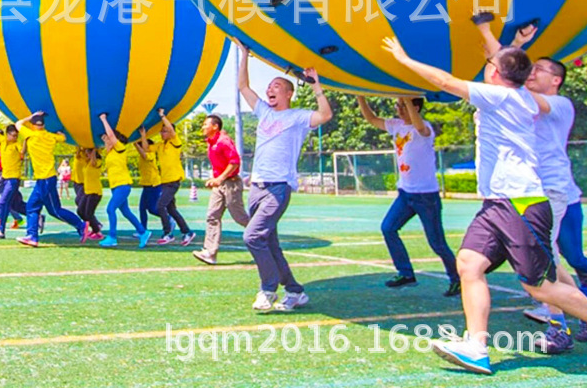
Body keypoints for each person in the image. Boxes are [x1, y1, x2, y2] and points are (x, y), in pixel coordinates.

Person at [382, 35, 587, 375]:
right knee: (469, 264)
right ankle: (476, 348)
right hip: (496, 203)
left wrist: (404, 59)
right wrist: (500, 40)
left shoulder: (501, 96)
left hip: (520, 202)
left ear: (494, 74)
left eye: (489, 65)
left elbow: (445, 81)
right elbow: (507, 64)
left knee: (540, 286)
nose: (486, 67)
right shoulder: (516, 94)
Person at [475, 15, 587, 351]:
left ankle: (558, 327)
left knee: (545, 263)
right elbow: (503, 77)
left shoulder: (559, 104)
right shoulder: (520, 99)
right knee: (552, 259)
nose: (532, 72)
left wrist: (502, 42)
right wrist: (512, 45)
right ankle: (574, 315)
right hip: (536, 193)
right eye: (530, 68)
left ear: (556, 80)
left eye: (539, 69)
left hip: (550, 190)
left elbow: (509, 77)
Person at [236, 40, 333, 313]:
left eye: (276, 86)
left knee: (252, 237)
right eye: (269, 87)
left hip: (278, 188)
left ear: (289, 93)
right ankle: (295, 291)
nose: (270, 89)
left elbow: (325, 115)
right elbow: (243, 86)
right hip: (256, 188)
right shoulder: (263, 112)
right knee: (269, 243)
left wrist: (316, 86)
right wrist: (244, 55)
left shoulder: (298, 116)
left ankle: (268, 289)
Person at [357, 96, 460, 296]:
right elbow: (372, 119)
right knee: (388, 228)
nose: (398, 109)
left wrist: (406, 97)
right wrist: (360, 97)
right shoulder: (396, 126)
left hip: (426, 196)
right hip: (405, 194)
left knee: (437, 243)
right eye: (398, 105)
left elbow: (420, 127)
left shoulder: (424, 128)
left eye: (402, 105)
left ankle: (457, 279)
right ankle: (406, 273)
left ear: (415, 108)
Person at [15, 111, 86, 248]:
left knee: (55, 210)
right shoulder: (50, 136)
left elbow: (18, 123)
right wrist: (59, 132)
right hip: (45, 179)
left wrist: (30, 116)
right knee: (31, 207)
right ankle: (32, 236)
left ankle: (81, 225)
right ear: (43, 125)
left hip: (45, 179)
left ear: (32, 125)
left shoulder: (30, 134)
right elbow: (63, 138)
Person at [193, 114, 249, 266]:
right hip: (219, 185)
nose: (203, 127)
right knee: (212, 216)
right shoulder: (210, 142)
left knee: (240, 217)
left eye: (205, 124)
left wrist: (220, 178)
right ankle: (210, 253)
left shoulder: (223, 141)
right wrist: (215, 179)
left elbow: (234, 162)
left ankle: (264, 234)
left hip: (231, 183)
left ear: (215, 126)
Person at [98, 113, 151, 249]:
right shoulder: (110, 153)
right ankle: (143, 232)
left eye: (107, 139)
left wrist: (103, 120)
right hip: (116, 186)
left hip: (123, 185)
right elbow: (107, 141)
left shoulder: (120, 148)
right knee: (125, 211)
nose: (105, 141)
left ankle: (112, 237)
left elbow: (111, 136)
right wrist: (104, 139)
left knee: (110, 209)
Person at [155, 110, 194, 246]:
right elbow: (147, 148)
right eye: (161, 131)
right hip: (165, 182)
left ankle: (167, 233)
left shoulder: (174, 142)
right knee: (171, 209)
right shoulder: (161, 145)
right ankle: (187, 232)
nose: (162, 133)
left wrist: (162, 116)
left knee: (160, 206)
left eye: (164, 131)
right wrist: (141, 136)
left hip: (173, 181)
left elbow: (171, 131)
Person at [0, 116, 28, 240]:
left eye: (17, 135)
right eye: (13, 135)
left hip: (13, 179)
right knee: (16, 205)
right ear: (7, 135)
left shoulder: (16, 145)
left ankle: (0, 231)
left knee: (3, 202)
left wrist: (26, 139)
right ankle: (36, 215)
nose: (15, 137)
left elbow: (22, 152)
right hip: (5, 177)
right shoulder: (2, 141)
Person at [134, 128, 162, 235]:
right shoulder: (142, 155)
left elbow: (144, 154)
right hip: (146, 185)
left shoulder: (151, 153)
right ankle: (143, 230)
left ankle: (168, 218)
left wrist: (140, 140)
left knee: (152, 209)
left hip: (154, 184)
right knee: (142, 208)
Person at [77, 148, 104, 240]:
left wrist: (94, 148)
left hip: (95, 192)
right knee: (80, 211)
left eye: (88, 153)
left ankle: (97, 231)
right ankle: (94, 228)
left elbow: (94, 161)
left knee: (89, 213)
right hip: (87, 191)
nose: (86, 155)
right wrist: (79, 148)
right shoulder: (87, 163)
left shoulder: (98, 162)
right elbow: (78, 157)